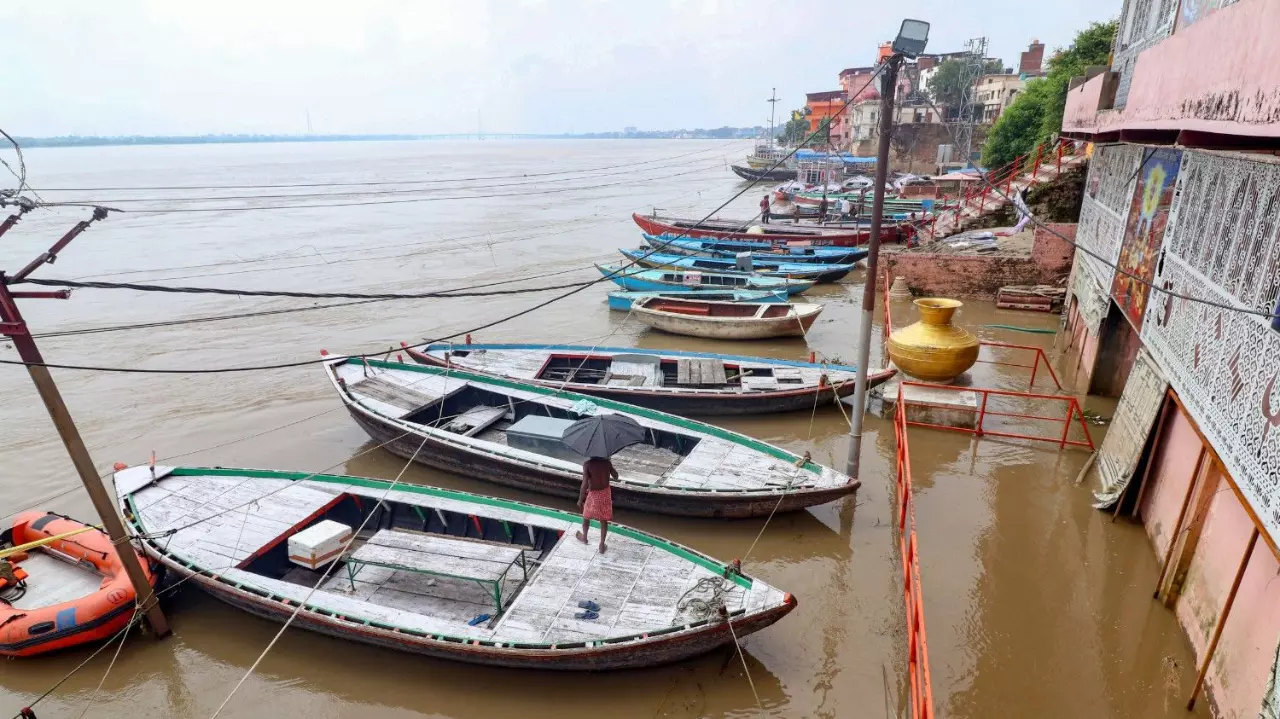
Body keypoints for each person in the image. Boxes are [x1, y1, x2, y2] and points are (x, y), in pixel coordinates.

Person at [577, 455, 617, 553]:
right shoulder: (607, 463)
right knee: (603, 520)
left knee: (586, 517)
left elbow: (584, 484)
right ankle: (602, 544)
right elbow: (616, 476)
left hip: (593, 494)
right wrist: (610, 465)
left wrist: (580, 499)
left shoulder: (587, 465)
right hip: (605, 493)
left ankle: (585, 537)